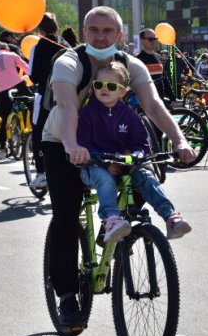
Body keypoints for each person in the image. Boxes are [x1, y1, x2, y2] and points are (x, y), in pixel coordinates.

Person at [41, 6, 195, 327]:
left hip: (112, 142)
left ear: (120, 36)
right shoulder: (69, 62)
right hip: (64, 142)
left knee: (140, 179)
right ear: (84, 33)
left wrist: (179, 141)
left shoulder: (130, 65)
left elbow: (153, 105)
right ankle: (68, 296)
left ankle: (114, 229)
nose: (100, 36)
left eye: (108, 31)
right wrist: (71, 145)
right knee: (66, 215)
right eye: (94, 30)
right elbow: (67, 104)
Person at [78, 62, 191, 243]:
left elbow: (141, 144)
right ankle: (111, 220)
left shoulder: (130, 116)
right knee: (105, 179)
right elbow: (83, 144)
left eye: (111, 86)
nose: (103, 89)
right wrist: (106, 164)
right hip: (94, 166)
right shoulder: (87, 114)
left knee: (146, 176)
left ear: (122, 92)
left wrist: (137, 156)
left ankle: (170, 217)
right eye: (98, 85)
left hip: (125, 165)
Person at [29, 12, 69, 188]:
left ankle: (40, 174)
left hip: (45, 96)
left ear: (40, 29)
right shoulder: (67, 44)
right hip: (68, 95)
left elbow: (33, 75)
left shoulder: (38, 47)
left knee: (38, 132)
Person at [0, 42, 32, 160]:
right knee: (33, 107)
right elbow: (28, 69)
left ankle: (2, 150)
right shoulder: (12, 55)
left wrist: (0, 84)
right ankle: (36, 135)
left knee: (5, 119)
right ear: (7, 49)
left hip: (4, 90)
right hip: (19, 84)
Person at [136, 28, 176, 102]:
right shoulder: (137, 60)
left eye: (155, 39)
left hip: (159, 100)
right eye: (150, 39)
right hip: (144, 103)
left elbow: (164, 78)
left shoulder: (158, 57)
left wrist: (172, 97)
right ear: (142, 41)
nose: (154, 41)